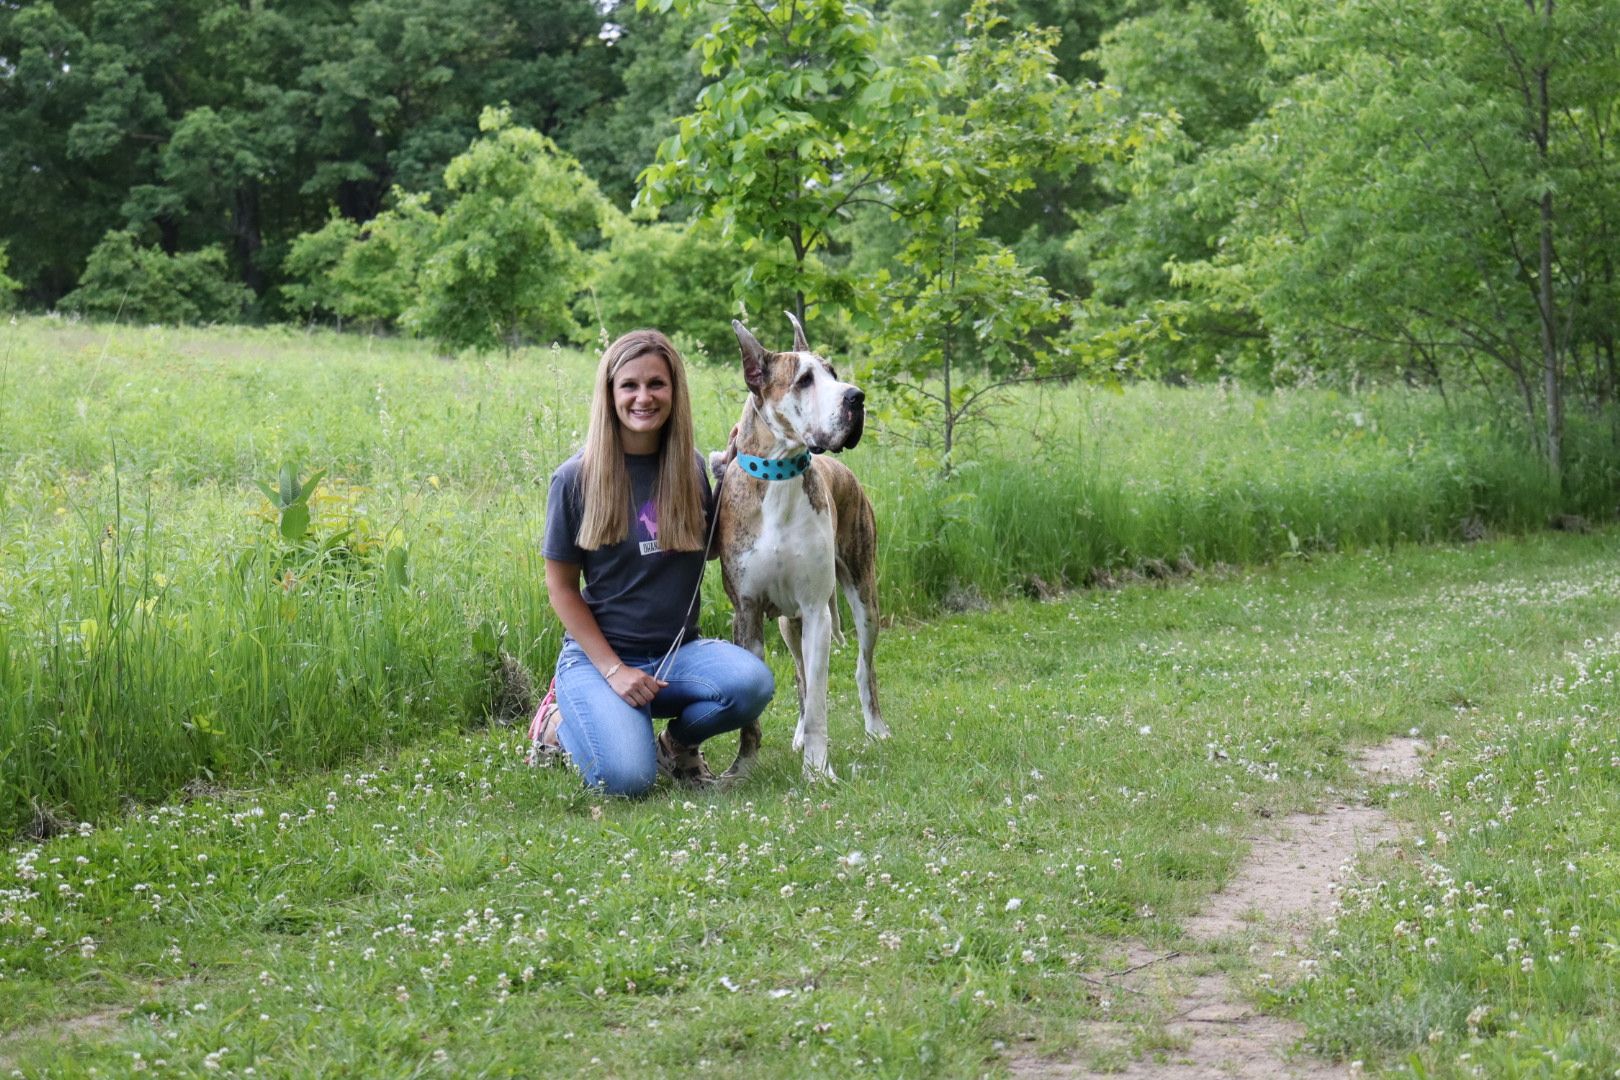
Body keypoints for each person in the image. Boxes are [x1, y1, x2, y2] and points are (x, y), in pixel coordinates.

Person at [533, 329, 774, 795]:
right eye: (630, 385)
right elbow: (560, 588)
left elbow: (706, 549)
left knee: (752, 684)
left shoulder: (690, 467)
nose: (643, 397)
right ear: (610, 394)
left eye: (656, 384)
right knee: (628, 780)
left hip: (676, 655)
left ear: (674, 391)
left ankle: (675, 745)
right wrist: (614, 671)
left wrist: (733, 473)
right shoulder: (574, 479)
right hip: (599, 659)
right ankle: (558, 722)